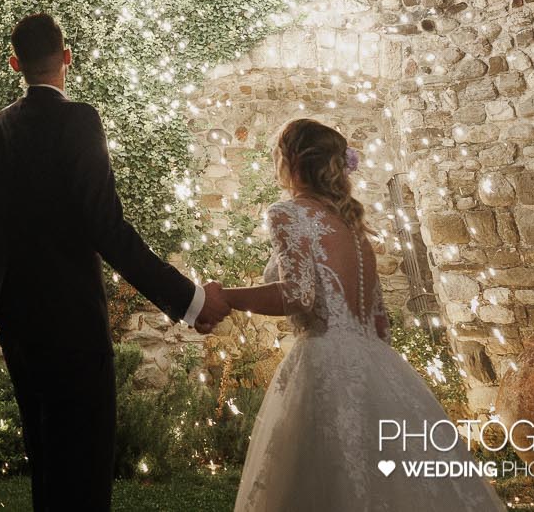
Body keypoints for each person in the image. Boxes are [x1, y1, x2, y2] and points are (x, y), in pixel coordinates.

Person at [0, 12, 217, 511]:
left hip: (19, 323)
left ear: (15, 63)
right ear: (67, 57)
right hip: (74, 317)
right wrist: (187, 299)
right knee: (88, 459)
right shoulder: (80, 120)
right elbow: (107, 229)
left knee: (46, 456)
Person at [203, 118, 505, 511]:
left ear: (291, 160)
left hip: (324, 366)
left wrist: (225, 295)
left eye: (276, 150)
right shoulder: (353, 225)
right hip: (378, 366)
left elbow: (298, 295)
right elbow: (380, 320)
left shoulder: (287, 213)